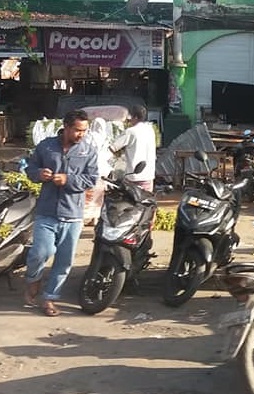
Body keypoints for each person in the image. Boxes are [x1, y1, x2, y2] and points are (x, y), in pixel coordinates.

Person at [23, 110, 100, 316]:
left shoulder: (89, 151)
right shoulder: (46, 146)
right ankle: (33, 280)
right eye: (77, 130)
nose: (81, 134)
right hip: (46, 211)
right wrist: (38, 174)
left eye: (84, 131)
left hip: (73, 213)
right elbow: (30, 168)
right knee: (41, 251)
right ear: (66, 127)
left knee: (64, 261)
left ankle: (49, 298)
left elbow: (91, 179)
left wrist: (68, 180)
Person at [109, 104, 156, 191]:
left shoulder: (130, 132)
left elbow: (113, 147)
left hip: (133, 177)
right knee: (146, 201)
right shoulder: (150, 130)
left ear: (135, 117)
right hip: (148, 176)